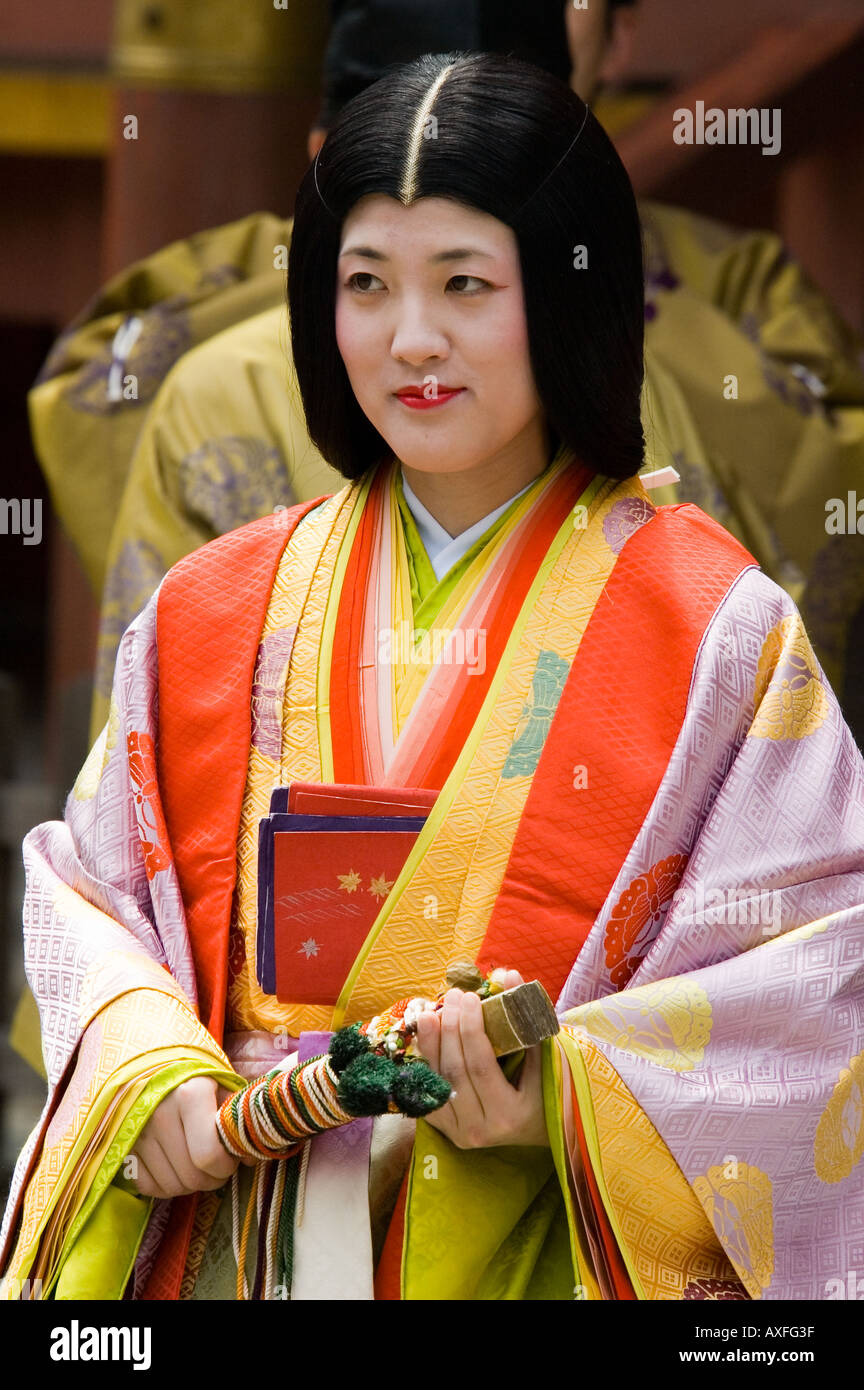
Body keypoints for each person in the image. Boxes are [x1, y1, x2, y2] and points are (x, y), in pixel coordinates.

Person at [3, 51, 863, 1302]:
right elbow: (95, 897)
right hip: (242, 1229)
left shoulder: (716, 627)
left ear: (569, 293)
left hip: (532, 1245)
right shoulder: (212, 608)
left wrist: (556, 1092)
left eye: (466, 283)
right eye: (365, 284)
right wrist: (150, 1071)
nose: (412, 339)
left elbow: (818, 973)